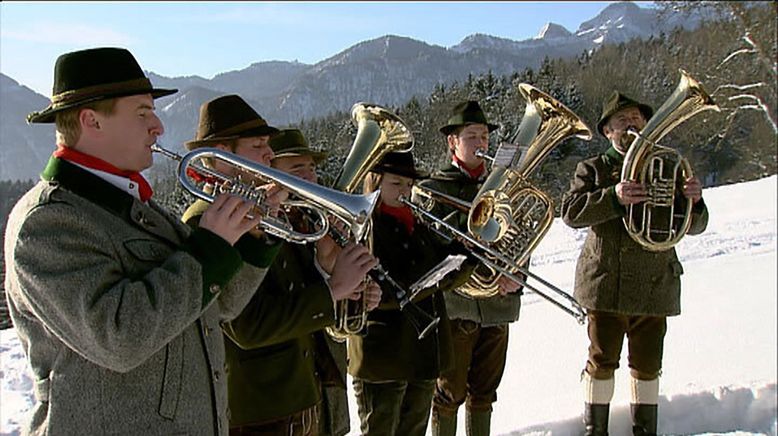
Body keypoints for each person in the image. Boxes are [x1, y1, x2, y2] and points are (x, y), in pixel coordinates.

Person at [4, 47, 279, 435]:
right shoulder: (48, 223)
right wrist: (210, 248)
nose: (158, 127)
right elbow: (119, 338)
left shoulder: (144, 210)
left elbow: (219, 306)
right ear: (91, 121)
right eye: (143, 113)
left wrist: (250, 238)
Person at [182, 124, 379, 436]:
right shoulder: (205, 219)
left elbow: (305, 299)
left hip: (305, 392)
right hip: (260, 407)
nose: (269, 155)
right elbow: (245, 326)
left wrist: (332, 273)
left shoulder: (283, 214)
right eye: (258, 145)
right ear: (222, 155)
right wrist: (333, 289)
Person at [560, 91, 709, 436]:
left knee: (648, 366)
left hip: (655, 284)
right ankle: (595, 431)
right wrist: (613, 196)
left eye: (637, 119)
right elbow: (570, 213)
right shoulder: (594, 168)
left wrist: (695, 202)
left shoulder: (669, 166)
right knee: (601, 362)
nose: (632, 125)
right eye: (622, 120)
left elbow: (696, 225)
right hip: (607, 283)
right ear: (608, 131)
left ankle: (645, 431)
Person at [348, 151, 477, 436]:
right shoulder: (364, 226)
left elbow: (440, 278)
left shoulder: (416, 221)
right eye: (396, 184)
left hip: (423, 352)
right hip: (383, 356)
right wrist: (435, 272)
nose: (405, 192)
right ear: (375, 182)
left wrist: (468, 255)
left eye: (408, 185)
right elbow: (382, 288)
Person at [420, 101, 522, 436]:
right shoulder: (434, 188)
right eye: (471, 136)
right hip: (455, 306)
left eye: (484, 136)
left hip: (497, 306)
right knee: (449, 393)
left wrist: (516, 275)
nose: (481, 142)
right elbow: (428, 250)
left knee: (485, 394)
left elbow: (523, 237)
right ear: (453, 142)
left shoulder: (505, 188)